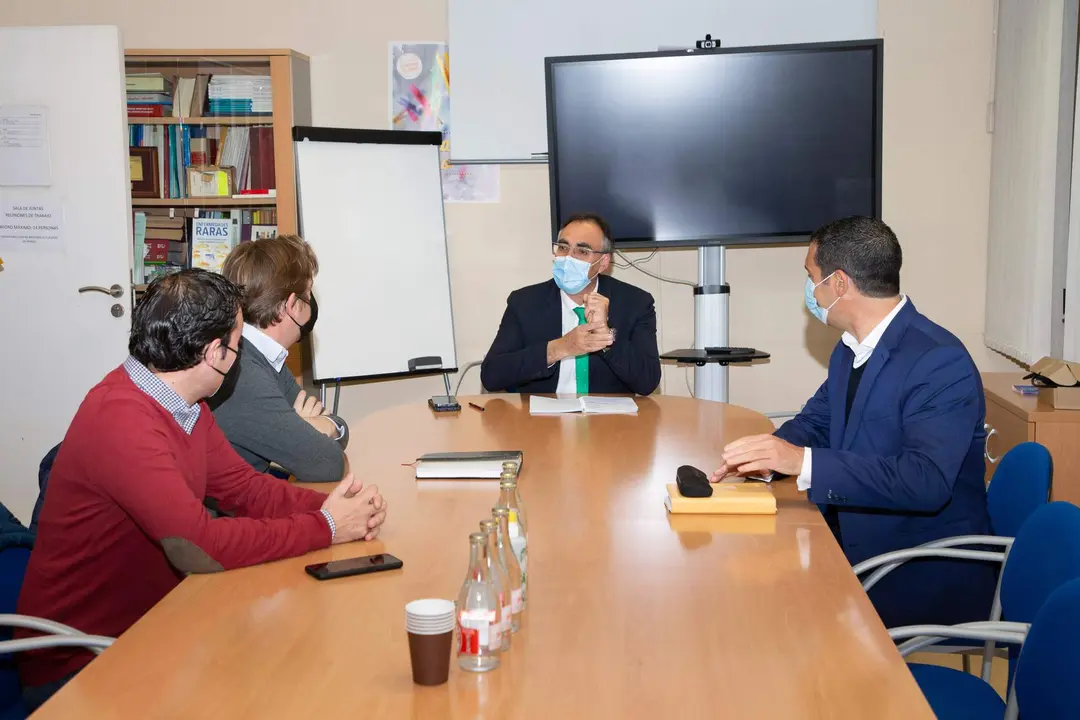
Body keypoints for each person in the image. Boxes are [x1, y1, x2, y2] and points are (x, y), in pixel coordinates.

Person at [17, 269, 386, 709]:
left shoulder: (182, 401)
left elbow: (246, 490)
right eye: (238, 341)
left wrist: (335, 506)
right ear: (216, 353)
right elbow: (199, 548)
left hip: (155, 627)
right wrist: (325, 527)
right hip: (83, 660)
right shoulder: (123, 419)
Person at [711, 216, 996, 629]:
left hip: (914, 568)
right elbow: (818, 420)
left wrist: (802, 462)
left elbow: (925, 481)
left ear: (839, 283)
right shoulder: (851, 347)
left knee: (764, 614)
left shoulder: (938, 360)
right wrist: (765, 457)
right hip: (853, 537)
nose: (810, 290)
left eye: (812, 277)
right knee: (738, 582)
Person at [209, 234, 348, 483]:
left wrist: (314, 425)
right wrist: (305, 426)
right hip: (233, 515)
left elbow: (337, 425)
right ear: (293, 305)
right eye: (308, 293)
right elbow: (328, 463)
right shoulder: (242, 373)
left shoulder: (261, 353)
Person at [480, 213, 661, 395]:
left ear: (603, 262)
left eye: (582, 251)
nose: (568, 258)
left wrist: (605, 336)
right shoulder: (524, 302)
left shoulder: (636, 303)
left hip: (610, 420)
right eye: (563, 247)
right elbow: (491, 376)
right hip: (540, 420)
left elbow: (647, 382)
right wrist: (560, 348)